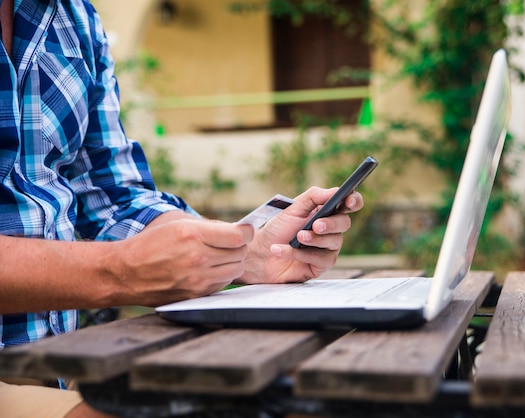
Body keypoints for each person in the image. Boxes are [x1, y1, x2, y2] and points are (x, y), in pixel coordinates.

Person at [0, 0, 364, 417]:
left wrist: (243, 252)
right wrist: (118, 269)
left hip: (58, 364)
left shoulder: (74, 15)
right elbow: (119, 257)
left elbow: (113, 193)